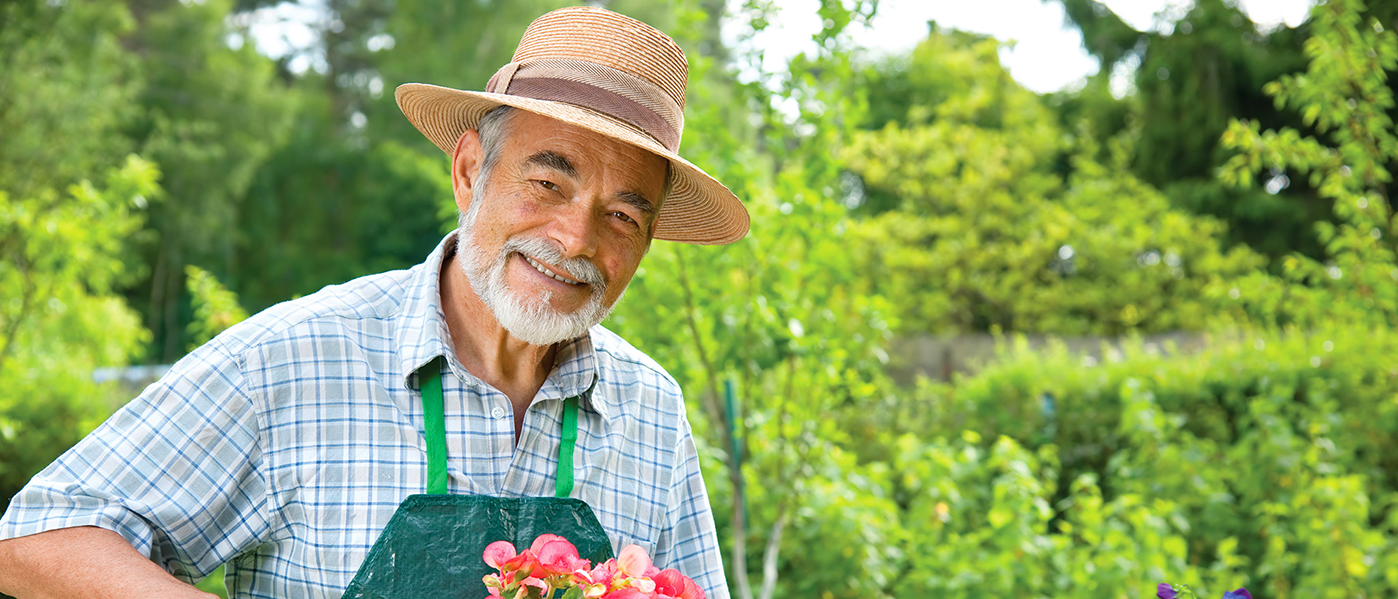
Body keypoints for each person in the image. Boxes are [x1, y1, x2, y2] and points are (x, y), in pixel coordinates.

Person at [0, 6, 748, 599]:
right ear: (468, 172)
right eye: (547, 183)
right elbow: (38, 535)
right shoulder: (293, 358)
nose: (576, 237)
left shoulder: (650, 409)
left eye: (622, 215)